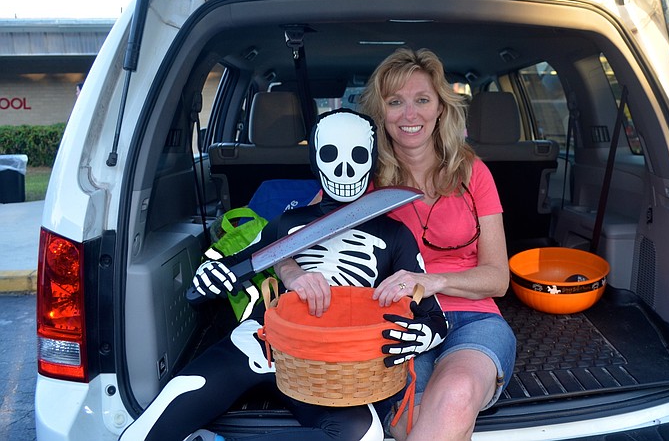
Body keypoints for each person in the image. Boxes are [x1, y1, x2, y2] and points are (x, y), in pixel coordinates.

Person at [119, 109, 447, 441]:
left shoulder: (395, 233)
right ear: (315, 160)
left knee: (365, 434)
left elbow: (435, 318)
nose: (344, 169)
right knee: (169, 407)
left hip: (333, 364)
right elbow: (228, 264)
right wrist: (210, 274)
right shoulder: (286, 224)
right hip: (262, 340)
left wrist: (421, 336)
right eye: (330, 155)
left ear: (372, 161)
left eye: (357, 156)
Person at [360, 48, 517, 441]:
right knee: (414, 422)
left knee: (455, 395)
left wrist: (433, 281)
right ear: (381, 113)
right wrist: (292, 273)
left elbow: (498, 278)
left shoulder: (473, 172)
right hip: (395, 324)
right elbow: (294, 238)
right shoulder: (360, 179)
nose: (409, 115)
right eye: (395, 102)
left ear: (441, 109)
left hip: (473, 319)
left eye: (422, 100)